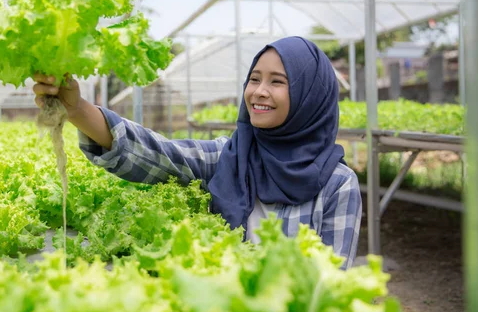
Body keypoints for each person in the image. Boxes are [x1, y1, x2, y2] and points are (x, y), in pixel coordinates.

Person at [33, 36, 362, 269]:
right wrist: (76, 110)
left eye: (278, 82)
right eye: (254, 79)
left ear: (310, 96)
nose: (259, 92)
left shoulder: (336, 184)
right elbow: (158, 154)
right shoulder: (232, 155)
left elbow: (328, 288)